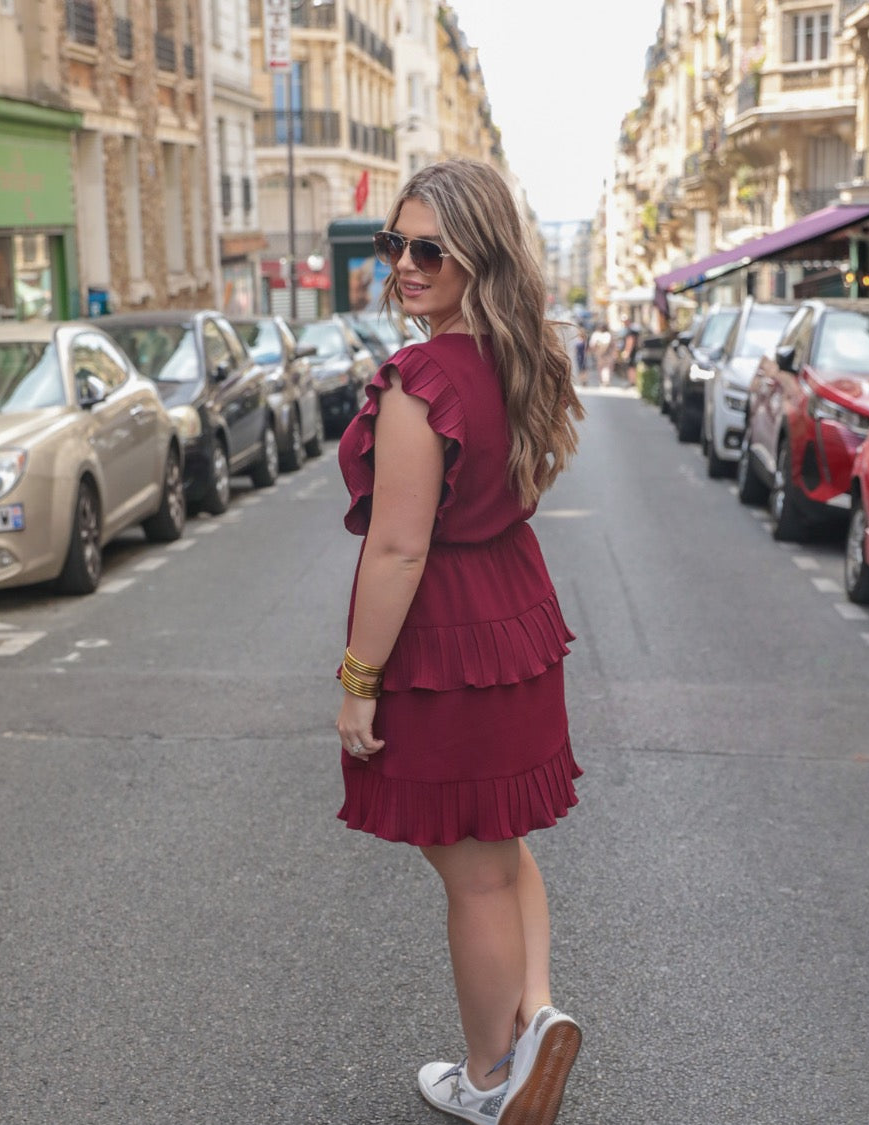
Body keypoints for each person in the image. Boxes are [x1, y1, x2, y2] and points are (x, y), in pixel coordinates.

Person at [334, 158, 585, 1125]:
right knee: (499, 844)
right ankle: (537, 1016)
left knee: (471, 868)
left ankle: (491, 1077)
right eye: (392, 244)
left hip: (446, 634)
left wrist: (359, 678)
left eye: (428, 249)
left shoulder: (421, 378)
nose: (403, 263)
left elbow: (398, 548)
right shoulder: (518, 356)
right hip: (512, 614)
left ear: (476, 255)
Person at [588, 321, 615, 387]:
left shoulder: (596, 334)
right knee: (606, 367)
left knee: (602, 367)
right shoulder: (608, 334)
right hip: (606, 353)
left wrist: (594, 351)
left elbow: (592, 345)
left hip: (601, 353)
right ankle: (606, 380)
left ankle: (603, 381)